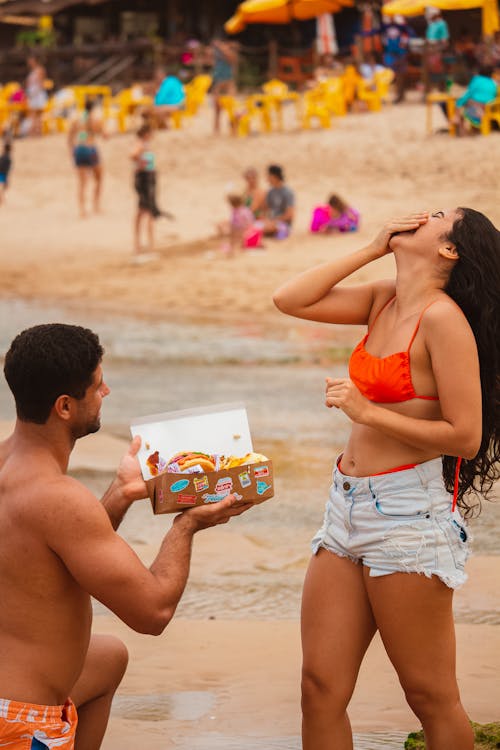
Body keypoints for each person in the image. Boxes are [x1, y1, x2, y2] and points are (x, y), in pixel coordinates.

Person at [273, 208, 500, 749]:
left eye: (436, 217)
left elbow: (465, 436)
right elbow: (290, 298)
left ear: (449, 250)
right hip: (344, 507)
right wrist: (373, 247)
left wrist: (366, 412)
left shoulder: (444, 321)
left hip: (406, 517)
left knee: (428, 695)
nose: (416, 216)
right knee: (319, 687)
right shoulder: (383, 300)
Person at [0, 323, 252, 749]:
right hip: (20, 722)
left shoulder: (15, 472)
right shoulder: (58, 498)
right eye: (98, 386)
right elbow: (152, 613)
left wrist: (120, 494)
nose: (107, 393)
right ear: (64, 406)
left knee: (108, 657)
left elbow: (52, 559)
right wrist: (186, 526)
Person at [130, 123, 173, 260]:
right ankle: (149, 243)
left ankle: (140, 243)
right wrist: (141, 163)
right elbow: (133, 155)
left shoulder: (143, 144)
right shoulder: (141, 144)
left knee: (143, 210)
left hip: (145, 177)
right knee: (148, 210)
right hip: (144, 178)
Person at [68, 98, 105, 218]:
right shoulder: (95, 120)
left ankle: (82, 210)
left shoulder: (77, 119)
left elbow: (70, 137)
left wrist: (72, 151)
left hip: (79, 149)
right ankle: (96, 205)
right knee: (98, 178)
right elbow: (105, 134)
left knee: (82, 183)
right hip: (91, 148)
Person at [453, 66, 498, 134]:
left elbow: (469, 93)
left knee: (463, 103)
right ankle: (460, 118)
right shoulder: (493, 83)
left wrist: (458, 103)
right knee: (467, 105)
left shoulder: (477, 79)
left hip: (477, 106)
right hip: (489, 106)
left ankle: (457, 118)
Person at [211, 36, 238, 134]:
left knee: (231, 106)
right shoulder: (218, 51)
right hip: (218, 80)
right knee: (217, 107)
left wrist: (221, 47)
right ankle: (216, 129)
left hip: (228, 81)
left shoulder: (230, 52)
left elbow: (231, 58)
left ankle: (233, 128)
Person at [263, 164, 295, 239]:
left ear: (275, 177)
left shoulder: (287, 192)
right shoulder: (270, 192)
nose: (267, 179)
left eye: (269, 176)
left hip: (284, 224)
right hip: (271, 221)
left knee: (278, 232)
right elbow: (266, 209)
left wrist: (274, 221)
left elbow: (290, 214)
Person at [25, 54, 48, 135]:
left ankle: (37, 131)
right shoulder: (32, 71)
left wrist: (35, 93)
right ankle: (35, 131)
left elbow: (41, 82)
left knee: (37, 114)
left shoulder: (40, 70)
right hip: (32, 93)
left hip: (37, 94)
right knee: (34, 114)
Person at [0, 140, 12, 206]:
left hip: (2, 173)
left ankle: (1, 199)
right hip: (3, 174)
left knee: (2, 187)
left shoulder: (3, 156)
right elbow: (8, 169)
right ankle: (1, 199)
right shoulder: (8, 158)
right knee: (2, 187)